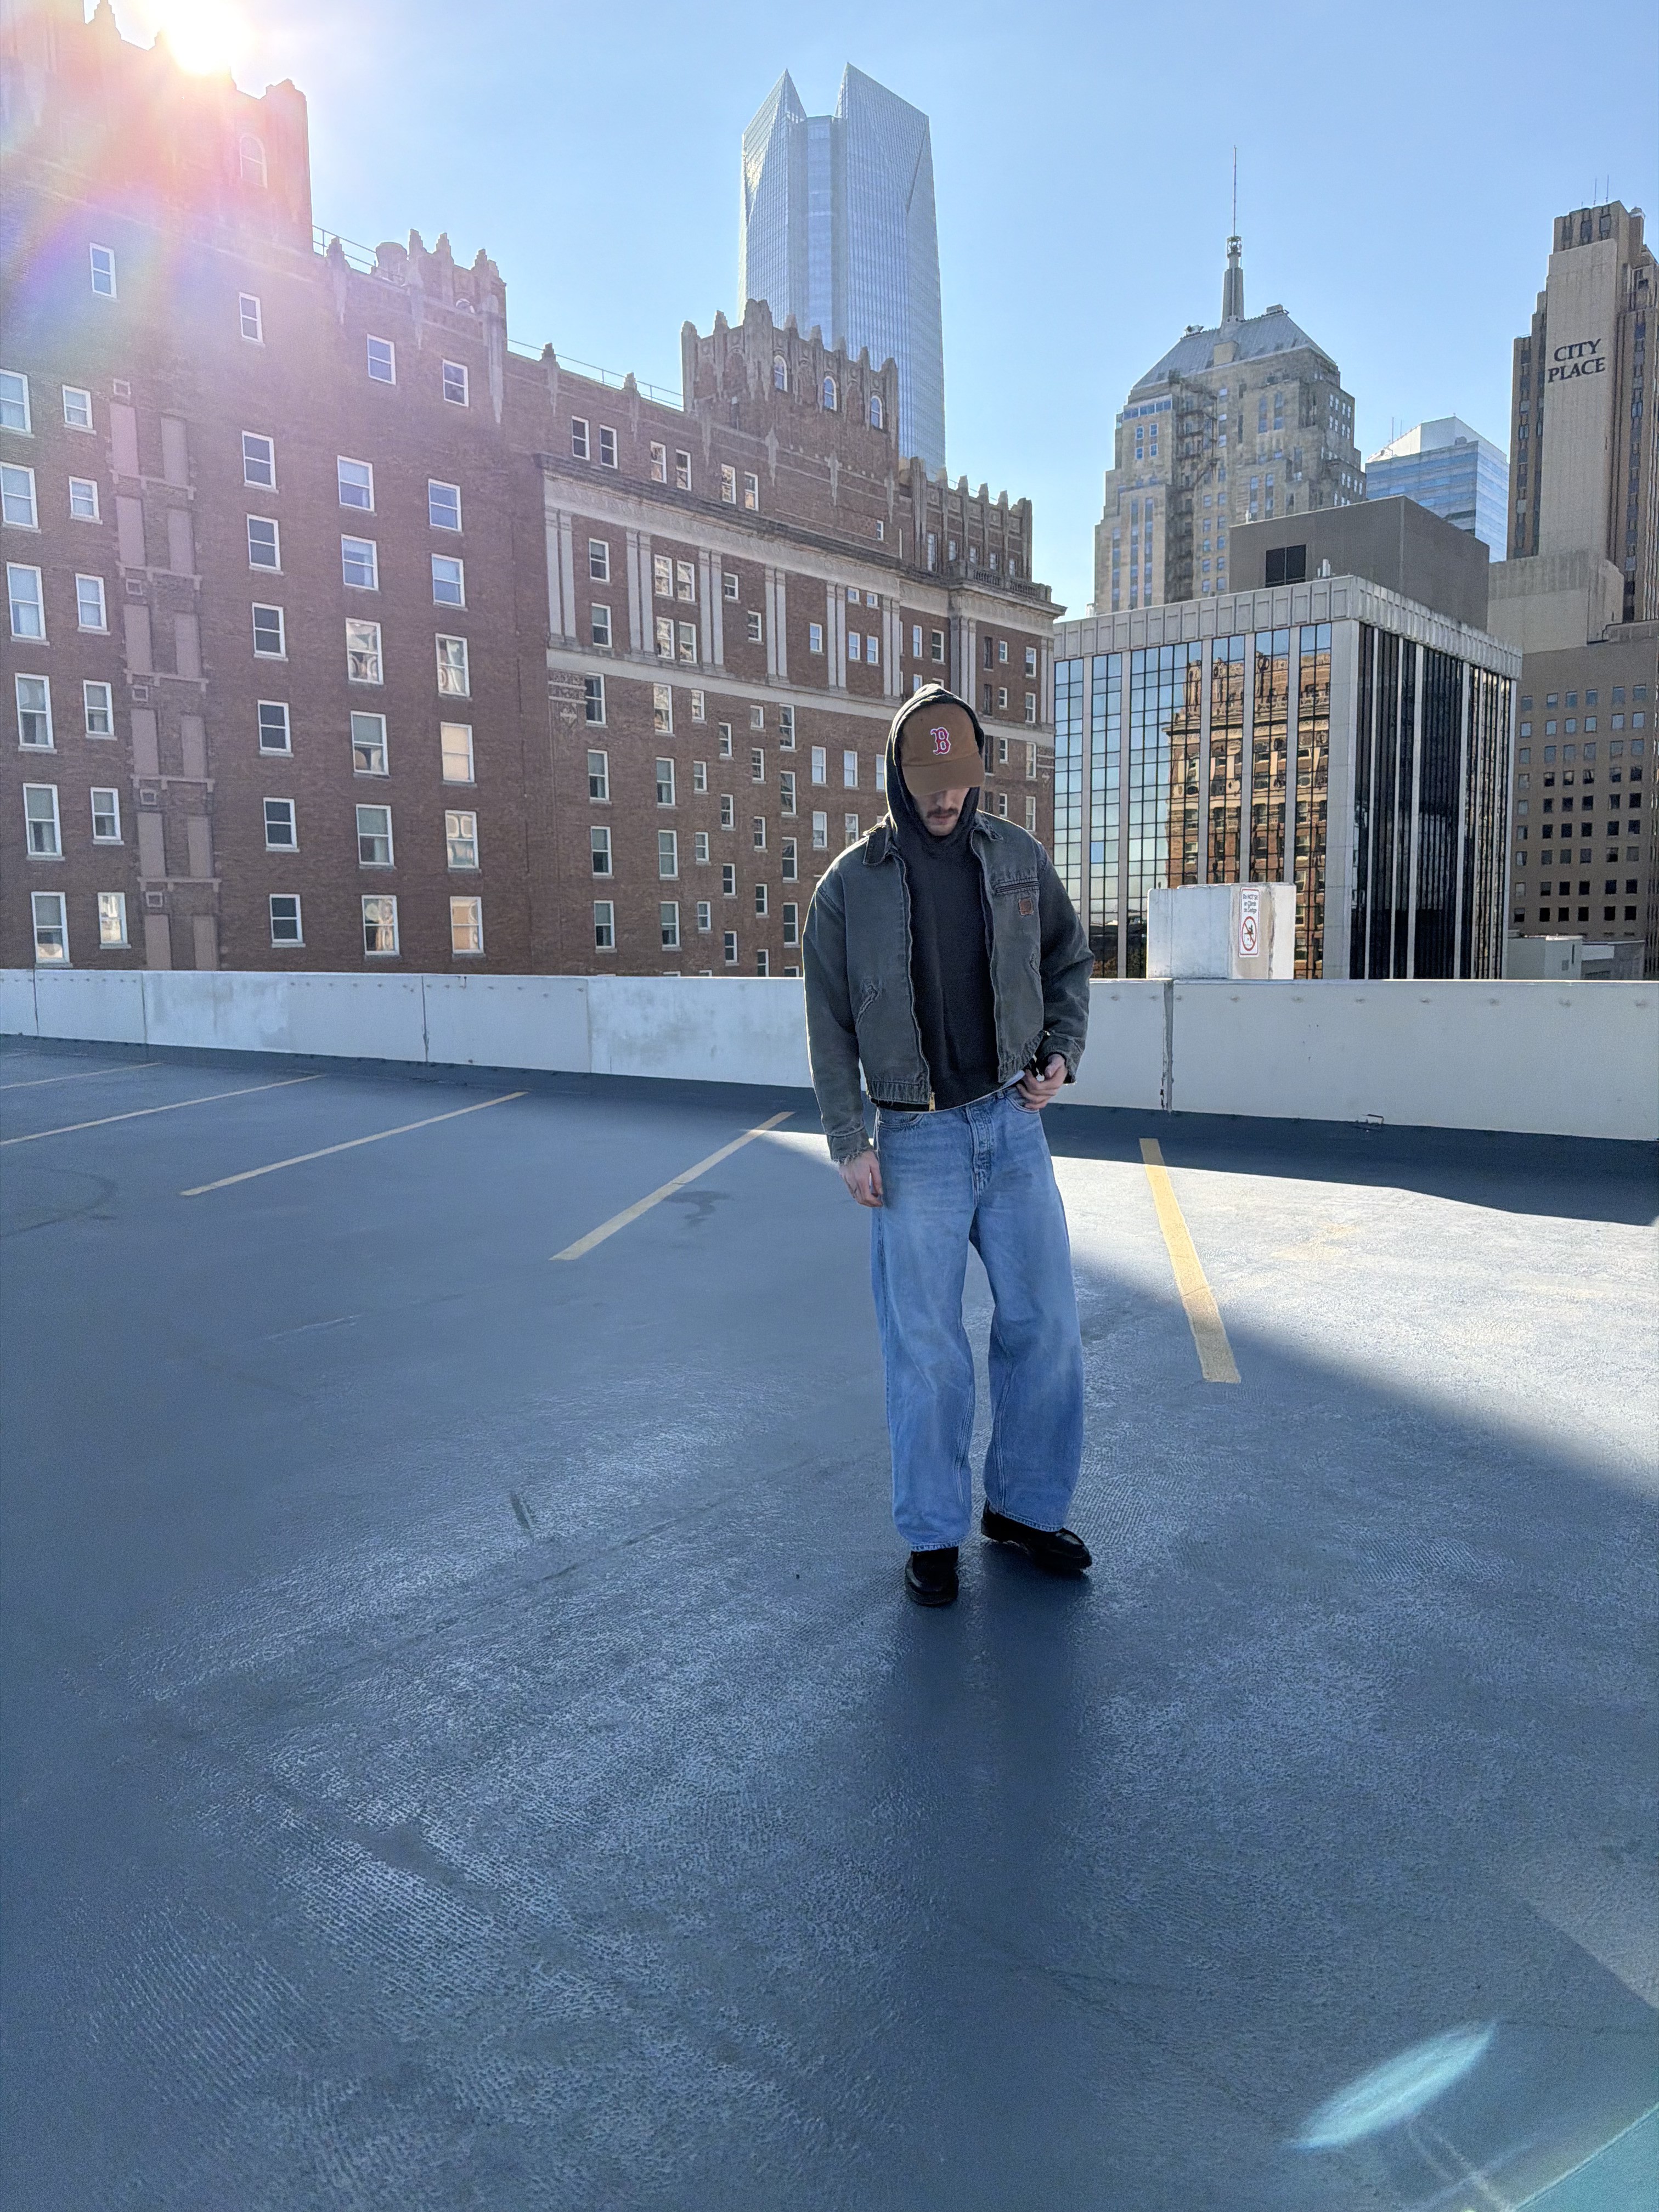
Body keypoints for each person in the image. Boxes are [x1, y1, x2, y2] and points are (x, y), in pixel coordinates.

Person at [803, 684, 1094, 1607]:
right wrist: (849, 1137)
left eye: (958, 779)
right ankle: (933, 1533)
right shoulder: (850, 886)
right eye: (927, 781)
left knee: (1045, 1326)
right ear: (898, 773)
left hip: (1012, 1124)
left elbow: (1067, 959)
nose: (945, 799)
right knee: (927, 1349)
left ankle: (1024, 1510)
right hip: (915, 1136)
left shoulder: (1016, 857)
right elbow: (829, 1023)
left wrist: (1061, 1053)